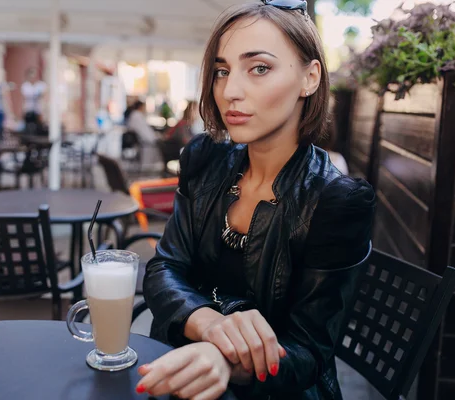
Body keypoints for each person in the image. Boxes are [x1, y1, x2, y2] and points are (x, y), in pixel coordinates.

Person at [138, 1, 375, 399]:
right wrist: (211, 326)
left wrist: (226, 361)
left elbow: (310, 350)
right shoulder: (204, 159)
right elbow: (164, 268)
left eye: (259, 68)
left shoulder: (337, 201)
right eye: (222, 71)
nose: (230, 91)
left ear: (310, 78)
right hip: (182, 369)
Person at [21, 67, 47, 135]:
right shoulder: (25, 85)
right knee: (28, 127)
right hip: (28, 109)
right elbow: (24, 98)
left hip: (38, 109)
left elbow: (44, 95)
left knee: (38, 127)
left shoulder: (41, 85)